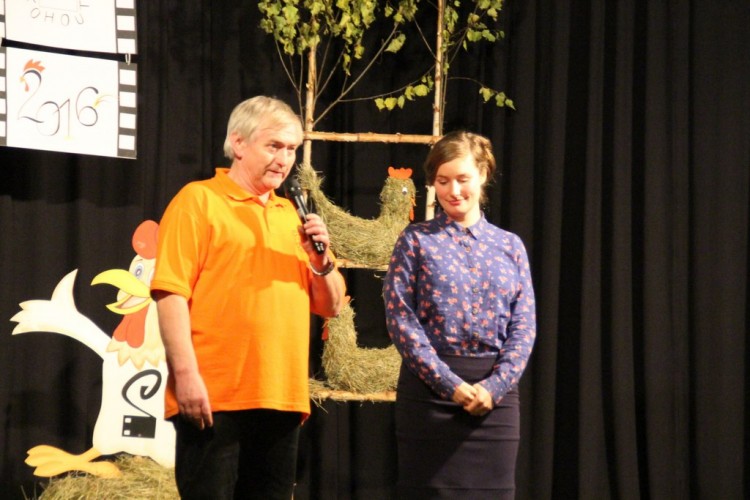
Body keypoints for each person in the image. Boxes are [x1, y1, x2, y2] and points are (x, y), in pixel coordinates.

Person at [150, 96, 345, 499]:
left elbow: (331, 306)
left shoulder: (293, 216)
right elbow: (170, 294)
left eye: (291, 149)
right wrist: (185, 375)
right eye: (274, 146)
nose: (284, 159)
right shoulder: (198, 201)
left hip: (281, 397)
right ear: (238, 143)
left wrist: (321, 261)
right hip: (214, 396)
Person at [383, 130, 536, 499]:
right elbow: (401, 320)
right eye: (443, 181)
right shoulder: (415, 240)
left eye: (462, 179)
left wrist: (495, 387)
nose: (453, 191)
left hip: (494, 401)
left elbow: (524, 325)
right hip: (429, 398)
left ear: (482, 174)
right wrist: (448, 384)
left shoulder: (509, 246)